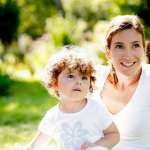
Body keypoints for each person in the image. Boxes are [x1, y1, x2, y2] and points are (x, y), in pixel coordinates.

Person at [24, 45, 119, 150]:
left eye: (84, 78)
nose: (79, 81)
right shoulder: (53, 116)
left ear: (90, 84)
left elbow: (113, 134)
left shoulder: (96, 109)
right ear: (55, 82)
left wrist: (97, 145)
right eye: (71, 76)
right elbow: (35, 146)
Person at [96, 15, 150, 150]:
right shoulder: (92, 79)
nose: (128, 54)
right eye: (120, 46)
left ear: (144, 49)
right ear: (108, 52)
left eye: (135, 45)